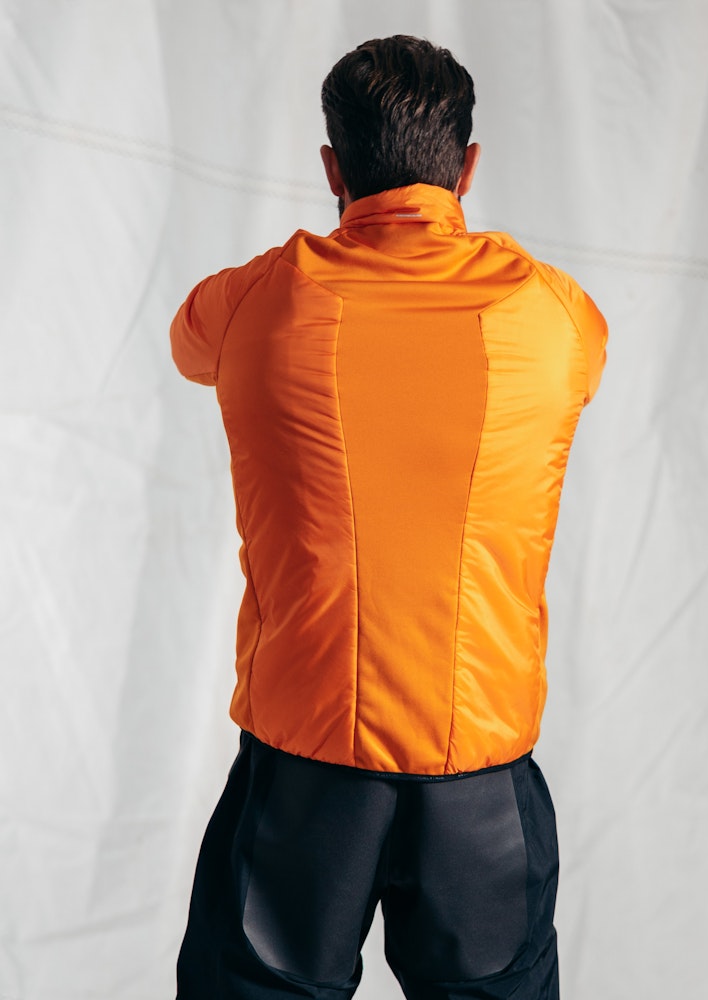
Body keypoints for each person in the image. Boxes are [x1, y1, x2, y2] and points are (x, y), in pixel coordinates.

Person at [171, 34, 607, 1000]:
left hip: (306, 773)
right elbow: (591, 362)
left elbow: (187, 346)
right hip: (481, 775)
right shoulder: (556, 313)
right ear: (468, 167)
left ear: (332, 167)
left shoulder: (255, 299)